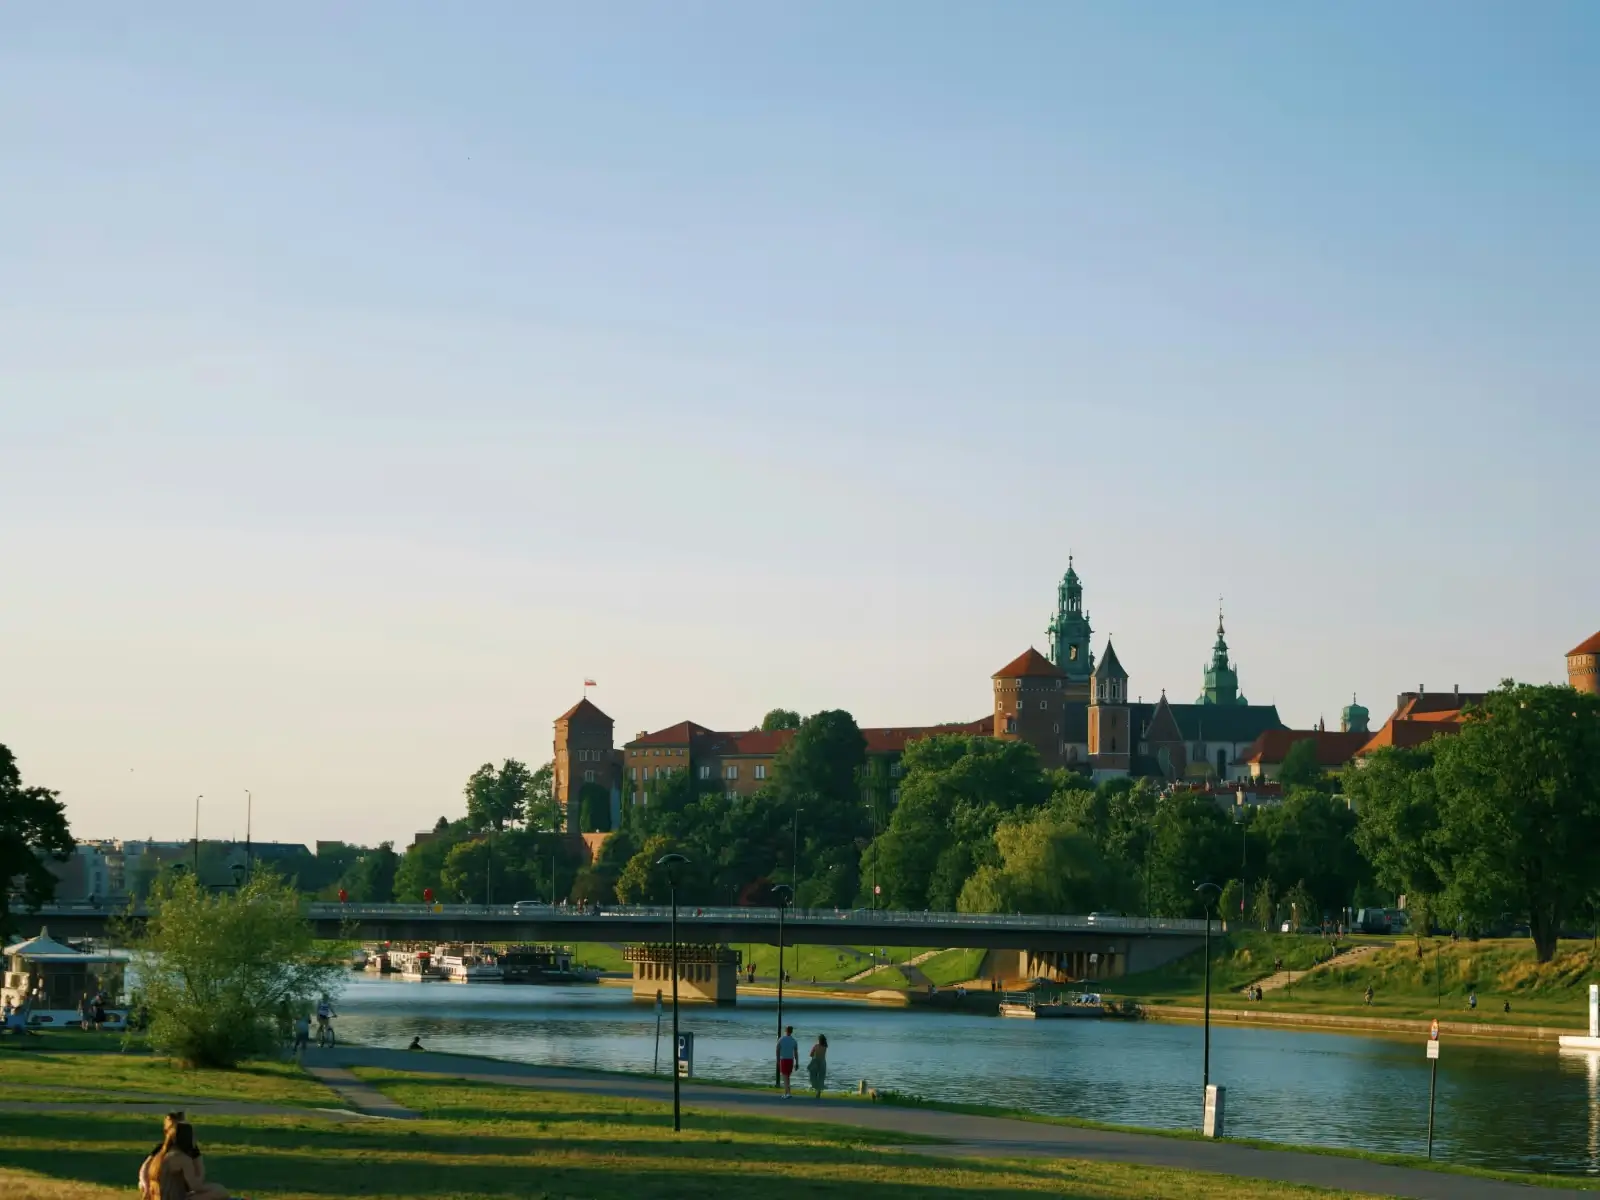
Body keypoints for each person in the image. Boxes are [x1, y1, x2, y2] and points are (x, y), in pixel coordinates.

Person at [146, 1120, 230, 1200]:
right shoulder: (182, 1158)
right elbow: (195, 1186)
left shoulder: (160, 1155)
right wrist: (201, 1170)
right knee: (220, 1191)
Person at [776, 1025, 798, 1098]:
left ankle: (788, 1093)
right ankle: (786, 1093)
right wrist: (797, 1062)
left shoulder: (781, 1039)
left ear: (785, 1030)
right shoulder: (793, 1040)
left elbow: (777, 1050)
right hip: (790, 1060)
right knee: (787, 1076)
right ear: (791, 1031)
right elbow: (795, 1052)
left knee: (785, 1077)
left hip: (784, 1059)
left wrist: (778, 1059)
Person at [807, 1033, 828, 1099]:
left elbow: (811, 1054)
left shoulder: (816, 1046)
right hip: (823, 1062)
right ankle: (818, 1091)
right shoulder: (825, 1047)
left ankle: (815, 1086)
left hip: (815, 1062)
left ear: (819, 1040)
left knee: (813, 1075)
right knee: (821, 1077)